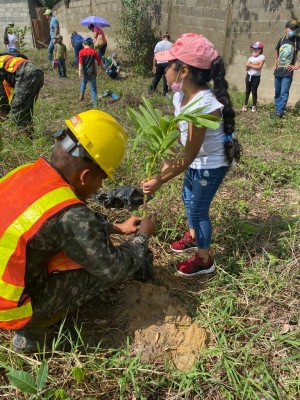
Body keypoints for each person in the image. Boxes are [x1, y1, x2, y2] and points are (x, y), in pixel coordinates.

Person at [0, 109, 156, 353]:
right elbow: (112, 268)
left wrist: (115, 227)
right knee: (94, 271)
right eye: (101, 180)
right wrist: (142, 237)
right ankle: (34, 332)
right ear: (84, 176)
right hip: (8, 306)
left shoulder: (26, 173)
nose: (101, 186)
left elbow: (50, 223)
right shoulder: (71, 215)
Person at [141, 33, 242, 277]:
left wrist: (160, 180)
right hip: (195, 160)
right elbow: (178, 141)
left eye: (168, 66)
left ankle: (204, 260)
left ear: (183, 71)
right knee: (187, 198)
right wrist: (160, 173)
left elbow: (189, 151)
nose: (164, 71)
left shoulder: (204, 106)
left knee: (198, 209)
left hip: (211, 164)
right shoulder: (180, 97)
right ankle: (194, 236)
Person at [0, 52, 44, 135]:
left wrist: (3, 110)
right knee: (26, 107)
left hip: (26, 74)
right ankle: (28, 133)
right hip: (36, 71)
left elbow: (2, 95)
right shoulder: (3, 58)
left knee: (19, 108)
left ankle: (25, 138)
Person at [271, 18, 300, 118]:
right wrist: (275, 64)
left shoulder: (297, 40)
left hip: (287, 72)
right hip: (278, 71)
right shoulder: (282, 40)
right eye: (292, 28)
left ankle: (279, 112)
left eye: (295, 28)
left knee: (284, 92)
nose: (294, 30)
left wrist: (297, 66)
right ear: (286, 29)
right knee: (277, 92)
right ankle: (277, 109)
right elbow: (276, 52)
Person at [78, 37, 103, 106]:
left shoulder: (81, 52)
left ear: (84, 44)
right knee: (93, 89)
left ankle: (81, 96)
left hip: (85, 73)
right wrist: (103, 68)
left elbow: (80, 63)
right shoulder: (94, 51)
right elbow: (99, 62)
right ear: (90, 44)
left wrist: (79, 72)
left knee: (83, 83)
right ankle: (95, 104)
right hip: (92, 73)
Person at [241, 42, 265, 112]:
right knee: (247, 91)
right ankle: (245, 105)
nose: (254, 50)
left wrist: (251, 65)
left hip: (256, 77)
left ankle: (254, 106)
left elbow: (259, 67)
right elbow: (246, 68)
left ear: (260, 50)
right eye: (253, 48)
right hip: (248, 76)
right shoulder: (251, 57)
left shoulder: (262, 57)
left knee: (254, 91)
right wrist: (255, 64)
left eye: (256, 49)